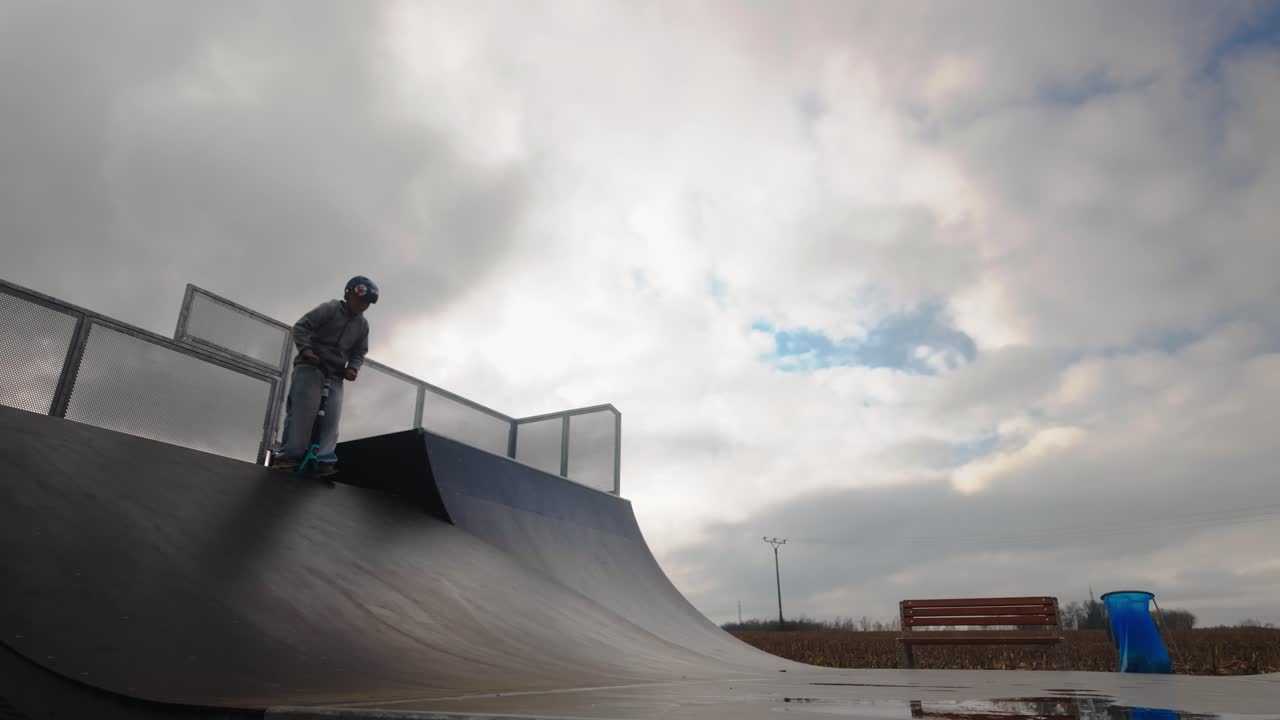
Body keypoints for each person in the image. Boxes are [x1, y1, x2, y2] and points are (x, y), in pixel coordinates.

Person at [270, 276, 378, 475]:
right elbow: (301, 327)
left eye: (366, 303)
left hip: (335, 374)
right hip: (311, 366)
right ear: (348, 294)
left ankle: (323, 460)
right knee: (303, 412)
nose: (362, 306)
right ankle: (289, 457)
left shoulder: (363, 326)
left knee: (331, 418)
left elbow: (359, 352)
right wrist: (306, 351)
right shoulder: (330, 309)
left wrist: (353, 368)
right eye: (360, 300)